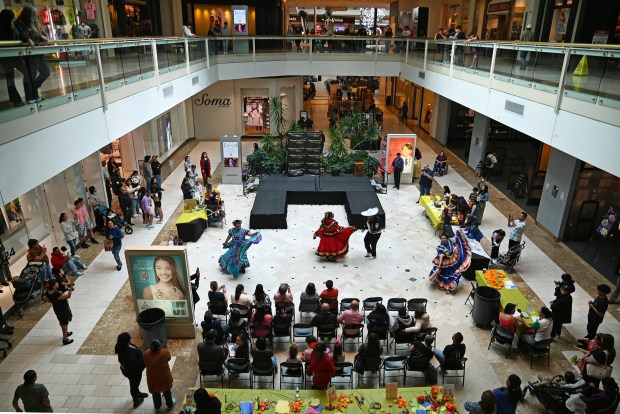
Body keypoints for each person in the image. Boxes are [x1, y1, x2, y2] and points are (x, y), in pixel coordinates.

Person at [14, 5, 50, 103]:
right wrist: (27, 39)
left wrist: (43, 36)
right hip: (29, 52)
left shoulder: (35, 22)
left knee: (46, 72)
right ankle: (31, 96)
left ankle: (33, 90)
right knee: (30, 75)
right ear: (28, 15)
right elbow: (21, 34)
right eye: (33, 15)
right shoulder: (20, 23)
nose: (36, 17)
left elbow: (40, 33)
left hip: (38, 51)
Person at [0, 10, 29, 107]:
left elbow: (20, 35)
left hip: (15, 55)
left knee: (26, 71)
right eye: (12, 17)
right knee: (10, 77)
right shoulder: (3, 28)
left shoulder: (13, 25)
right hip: (7, 56)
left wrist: (27, 39)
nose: (14, 18)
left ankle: (27, 94)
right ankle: (15, 99)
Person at [115, 332, 148, 409]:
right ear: (126, 342)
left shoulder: (122, 346)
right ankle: (136, 401)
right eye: (129, 340)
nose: (130, 340)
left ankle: (137, 393)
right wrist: (142, 366)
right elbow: (134, 366)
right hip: (133, 373)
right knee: (134, 385)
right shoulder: (127, 355)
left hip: (132, 371)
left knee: (135, 384)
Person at [144, 339, 175, 410]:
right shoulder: (165, 352)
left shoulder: (146, 353)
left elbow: (145, 362)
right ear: (159, 348)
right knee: (167, 391)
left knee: (155, 392)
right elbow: (169, 358)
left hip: (152, 377)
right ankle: (170, 404)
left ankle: (157, 406)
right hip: (164, 376)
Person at [44, 279, 73, 345]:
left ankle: (66, 332)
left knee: (61, 321)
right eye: (56, 283)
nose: (57, 283)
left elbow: (46, 299)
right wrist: (70, 287)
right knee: (65, 323)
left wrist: (54, 302)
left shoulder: (48, 292)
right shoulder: (55, 293)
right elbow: (68, 296)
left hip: (57, 309)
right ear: (53, 286)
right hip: (63, 309)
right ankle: (65, 339)